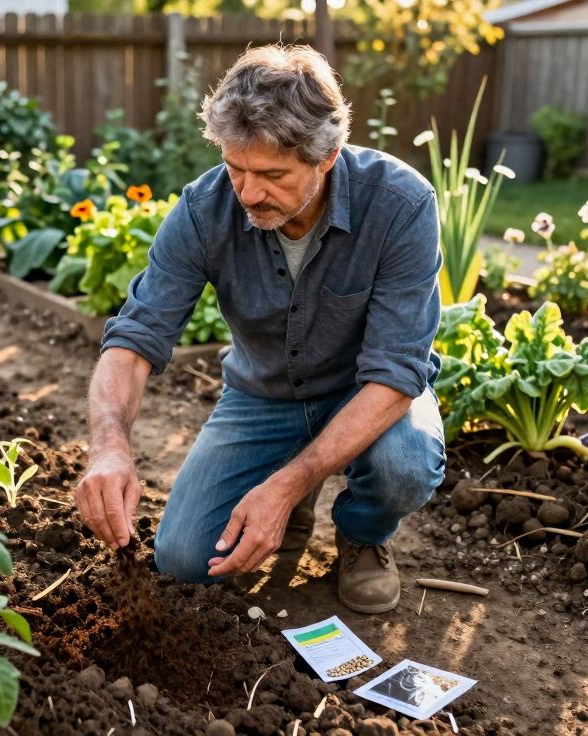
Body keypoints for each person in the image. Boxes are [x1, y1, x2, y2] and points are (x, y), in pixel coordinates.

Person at [72, 44, 446, 614]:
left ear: (327, 158)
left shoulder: (400, 204)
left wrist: (289, 481)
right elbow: (136, 336)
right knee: (183, 561)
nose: (247, 193)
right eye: (235, 167)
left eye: (271, 174)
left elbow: (396, 374)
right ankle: (285, 495)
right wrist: (107, 446)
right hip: (264, 394)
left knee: (406, 466)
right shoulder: (204, 209)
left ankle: (363, 536)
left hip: (364, 392)